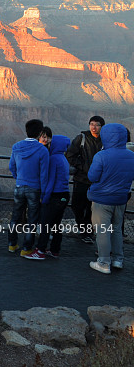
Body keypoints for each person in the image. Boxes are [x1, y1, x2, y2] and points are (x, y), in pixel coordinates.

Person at [87, 123, 134, 274]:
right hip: (120, 199)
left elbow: (92, 177)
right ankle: (118, 259)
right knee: (117, 230)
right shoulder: (131, 156)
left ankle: (103, 262)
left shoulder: (101, 156)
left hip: (102, 200)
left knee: (103, 231)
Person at [8, 119, 49, 256]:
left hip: (19, 186)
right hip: (35, 188)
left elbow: (11, 166)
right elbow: (44, 174)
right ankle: (26, 248)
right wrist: (44, 193)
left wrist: (18, 178)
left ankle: (12, 244)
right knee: (32, 219)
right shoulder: (42, 150)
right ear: (40, 133)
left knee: (15, 217)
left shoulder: (16, 146)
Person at [28, 135, 71, 260]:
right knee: (56, 224)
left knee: (45, 224)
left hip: (55, 196)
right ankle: (54, 250)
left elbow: (51, 181)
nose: (49, 145)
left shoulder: (53, 159)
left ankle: (40, 251)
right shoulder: (63, 158)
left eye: (52, 143)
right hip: (64, 195)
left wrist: (44, 198)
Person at [65, 115, 105, 244]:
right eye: (92, 124)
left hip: (97, 181)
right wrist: (82, 167)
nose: (94, 127)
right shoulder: (81, 138)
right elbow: (69, 155)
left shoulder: (105, 141)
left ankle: (87, 233)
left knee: (91, 208)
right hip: (81, 179)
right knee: (77, 206)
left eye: (97, 125)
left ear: (102, 127)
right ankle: (83, 228)